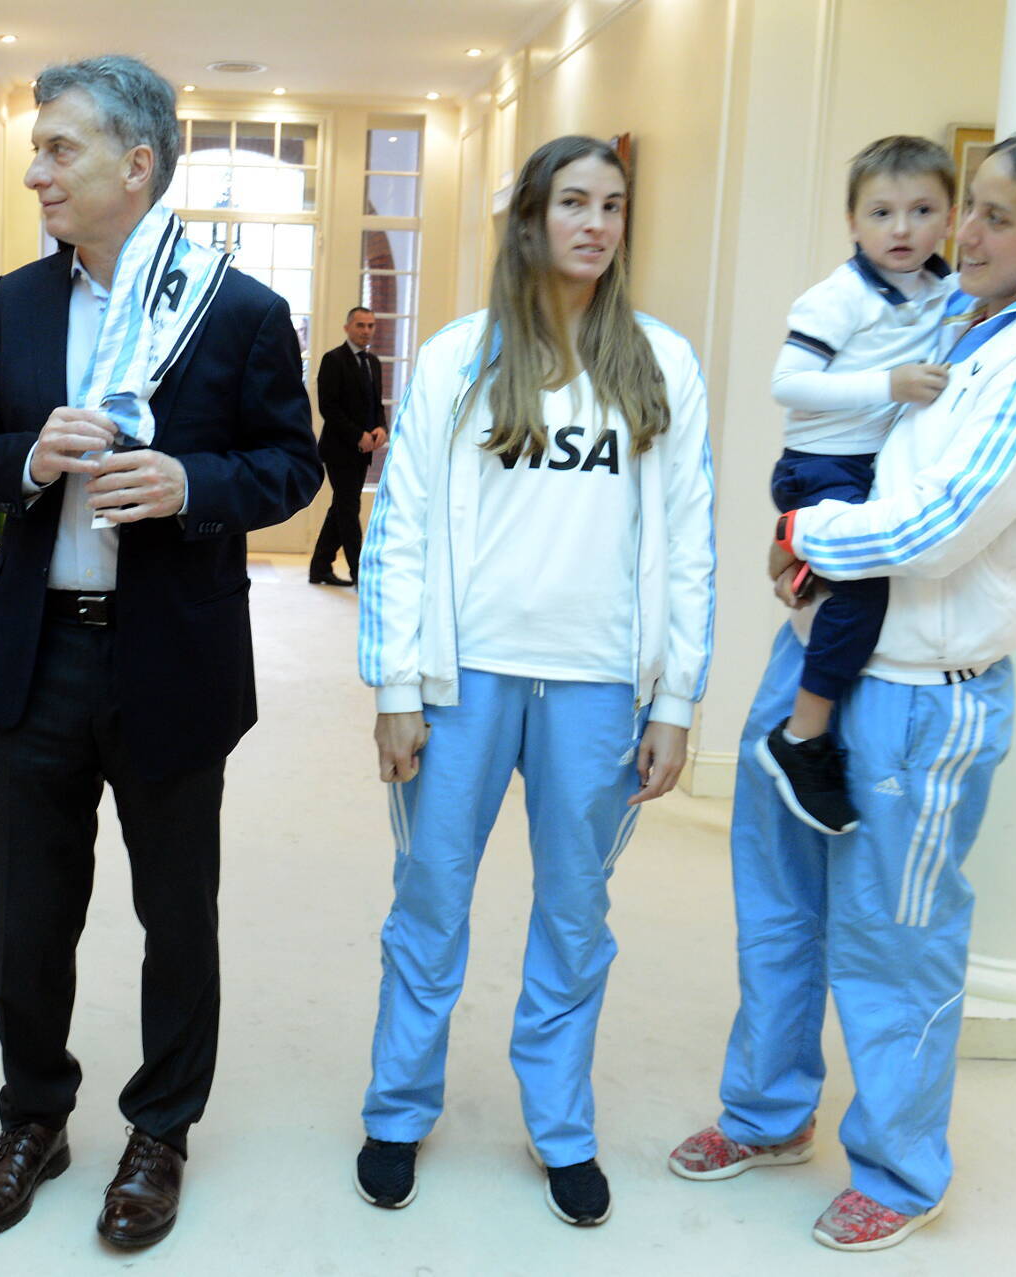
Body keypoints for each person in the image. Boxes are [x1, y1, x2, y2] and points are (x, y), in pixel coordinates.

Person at [668, 124, 1016, 1253]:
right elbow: (858, 427)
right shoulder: (957, 313)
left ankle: (897, 1165)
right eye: (965, 203)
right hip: (818, 649)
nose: (959, 232)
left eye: (991, 216)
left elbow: (936, 527)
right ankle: (766, 1111)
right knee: (778, 905)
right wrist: (813, 539)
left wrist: (802, 527)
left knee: (894, 937)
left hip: (920, 697)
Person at [0, 55, 319, 1249]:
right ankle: (32, 1119)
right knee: (28, 911)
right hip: (36, 651)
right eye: (37, 147)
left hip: (169, 656)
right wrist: (25, 459)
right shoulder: (15, 303)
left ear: (136, 163)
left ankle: (159, 1130)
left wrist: (189, 481)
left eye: (60, 148)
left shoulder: (239, 310)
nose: (35, 168)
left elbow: (292, 465)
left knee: (175, 912)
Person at [353, 136, 716, 1226]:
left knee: (573, 909)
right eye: (572, 203)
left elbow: (689, 538)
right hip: (463, 680)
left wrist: (675, 699)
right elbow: (399, 524)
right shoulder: (459, 357)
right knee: (429, 897)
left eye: (611, 205)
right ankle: (396, 1107)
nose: (594, 224)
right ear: (530, 218)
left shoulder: (661, 362)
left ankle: (559, 1121)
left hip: (599, 686)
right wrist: (394, 685)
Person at [756, 136, 959, 836]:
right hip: (823, 465)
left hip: (877, 467)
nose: (900, 229)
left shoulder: (944, 288)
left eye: (921, 210)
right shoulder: (839, 297)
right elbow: (786, 382)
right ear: (853, 222)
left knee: (866, 579)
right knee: (865, 588)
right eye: (881, 213)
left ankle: (795, 555)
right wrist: (888, 384)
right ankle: (802, 735)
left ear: (950, 217)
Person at [310, 306, 388, 586]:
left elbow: (376, 405)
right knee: (348, 508)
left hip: (363, 450)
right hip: (339, 449)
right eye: (360, 325)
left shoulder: (374, 363)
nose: (366, 330)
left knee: (341, 506)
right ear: (347, 328)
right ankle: (360, 573)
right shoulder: (333, 360)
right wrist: (358, 434)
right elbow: (328, 407)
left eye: (370, 325)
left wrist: (381, 428)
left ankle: (319, 567)